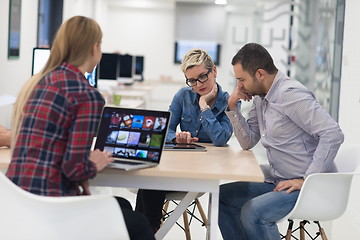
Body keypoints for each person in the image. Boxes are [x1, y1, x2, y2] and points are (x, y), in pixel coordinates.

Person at [6, 16, 154, 240]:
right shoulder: (87, 95)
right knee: (140, 225)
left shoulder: (38, 83)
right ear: (95, 47)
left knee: (121, 204)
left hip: (17, 203)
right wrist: (93, 163)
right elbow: (74, 169)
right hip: (54, 208)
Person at [218, 43, 344, 240]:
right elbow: (248, 141)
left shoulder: (291, 95)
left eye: (242, 80)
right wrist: (232, 108)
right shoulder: (261, 98)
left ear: (260, 74)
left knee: (254, 213)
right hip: (281, 180)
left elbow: (332, 133)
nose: (239, 86)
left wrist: (307, 180)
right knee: (221, 198)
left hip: (312, 187)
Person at [135, 49, 233, 232]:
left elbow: (221, 139)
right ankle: (146, 230)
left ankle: (146, 230)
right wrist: (177, 138)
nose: (198, 84)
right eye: (192, 80)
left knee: (150, 183)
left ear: (214, 71)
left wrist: (204, 106)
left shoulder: (228, 102)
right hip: (179, 165)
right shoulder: (183, 96)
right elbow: (165, 130)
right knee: (150, 177)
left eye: (202, 76)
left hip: (204, 171)